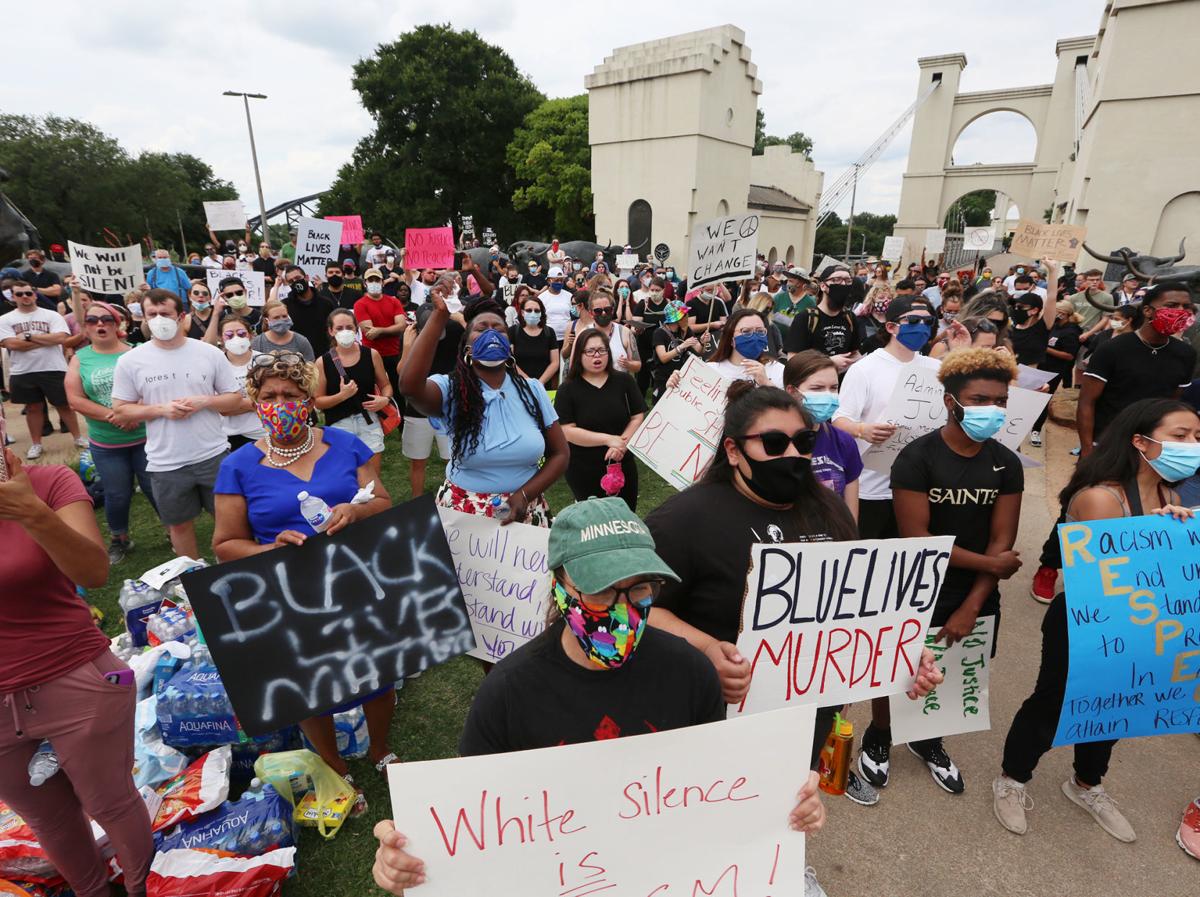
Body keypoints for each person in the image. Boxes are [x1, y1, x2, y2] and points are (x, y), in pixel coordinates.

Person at [371, 495, 833, 897]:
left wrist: (784, 804)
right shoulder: (508, 693)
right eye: (599, 591)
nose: (622, 609)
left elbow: (719, 790)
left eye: (639, 589)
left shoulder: (690, 672)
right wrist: (407, 858)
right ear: (561, 585)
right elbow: (472, 824)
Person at [994, 398, 1200, 841]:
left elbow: (1169, 574)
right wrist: (1161, 535)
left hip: (1141, 626)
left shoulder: (1170, 495)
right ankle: (1012, 779)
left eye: (1198, 437)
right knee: (1053, 699)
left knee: (1117, 704)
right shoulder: (1099, 498)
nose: (1192, 445)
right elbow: (1116, 573)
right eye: (1181, 436)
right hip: (1086, 623)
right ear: (1140, 441)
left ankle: (1087, 784)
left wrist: (1179, 530)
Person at [211, 353, 397, 814]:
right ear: (255, 403)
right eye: (269, 396)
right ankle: (334, 763)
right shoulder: (237, 466)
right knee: (310, 684)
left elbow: (384, 502)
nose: (280, 404)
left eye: (289, 395)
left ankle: (379, 750)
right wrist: (269, 550)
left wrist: (356, 510)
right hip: (287, 596)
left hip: (355, 580)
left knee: (377, 672)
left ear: (309, 399)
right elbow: (225, 544)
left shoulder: (345, 444)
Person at [859, 349, 1024, 795]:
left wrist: (973, 602)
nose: (992, 410)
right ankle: (879, 734)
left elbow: (1001, 540)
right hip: (916, 582)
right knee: (898, 665)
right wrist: (993, 564)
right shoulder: (917, 458)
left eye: (1000, 401)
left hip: (975, 592)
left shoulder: (1006, 464)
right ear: (951, 402)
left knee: (952, 665)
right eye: (980, 399)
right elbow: (918, 538)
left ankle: (928, 737)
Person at [0, 446, 154, 897]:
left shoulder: (50, 484)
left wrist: (32, 514)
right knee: (48, 818)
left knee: (110, 800)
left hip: (75, 676)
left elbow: (94, 570)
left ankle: (146, 888)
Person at [399, 294, 568, 526]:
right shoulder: (451, 388)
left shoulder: (532, 390)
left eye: (499, 329)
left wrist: (524, 495)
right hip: (465, 511)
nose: (491, 333)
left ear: (509, 346)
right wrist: (439, 317)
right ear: (467, 346)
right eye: (481, 329)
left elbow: (560, 454)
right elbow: (409, 387)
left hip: (525, 509)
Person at [111, 289, 243, 559]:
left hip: (213, 453)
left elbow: (233, 399)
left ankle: (231, 567)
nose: (159, 319)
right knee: (179, 525)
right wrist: (161, 410)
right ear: (144, 318)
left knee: (228, 519)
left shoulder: (209, 353)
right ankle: (191, 576)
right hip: (166, 461)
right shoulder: (130, 361)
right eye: (152, 314)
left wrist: (204, 402)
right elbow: (120, 411)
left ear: (182, 316)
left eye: (165, 314)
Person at [833, 298, 964, 540]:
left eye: (928, 321)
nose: (922, 326)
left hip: (919, 486)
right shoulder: (864, 369)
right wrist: (863, 429)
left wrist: (960, 351)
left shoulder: (934, 368)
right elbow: (839, 419)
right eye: (913, 321)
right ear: (892, 327)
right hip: (873, 487)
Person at [64, 301, 157, 563]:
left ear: (118, 324)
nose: (100, 324)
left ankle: (175, 532)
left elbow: (153, 387)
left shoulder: (137, 351)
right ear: (86, 327)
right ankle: (120, 539)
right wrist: (116, 416)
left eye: (106, 319)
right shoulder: (80, 359)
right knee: (117, 493)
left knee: (155, 487)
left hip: (145, 437)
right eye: (92, 320)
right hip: (107, 442)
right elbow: (75, 399)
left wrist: (135, 411)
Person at [1076, 283, 1196, 457]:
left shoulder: (1186, 354)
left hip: (1150, 447)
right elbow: (1087, 403)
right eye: (1171, 306)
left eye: (1186, 307)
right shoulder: (1112, 349)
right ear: (1147, 311)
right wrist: (1087, 450)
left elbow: (1172, 402)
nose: (1180, 311)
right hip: (1107, 443)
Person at [555, 329, 647, 509]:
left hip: (621, 464)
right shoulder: (567, 389)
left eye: (602, 350)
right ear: (580, 354)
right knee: (593, 522)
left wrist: (621, 444)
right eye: (590, 351)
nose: (596, 356)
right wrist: (608, 440)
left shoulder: (624, 381)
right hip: (583, 468)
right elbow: (567, 430)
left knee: (625, 518)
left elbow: (637, 416)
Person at [0, 280, 85, 457]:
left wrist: (28, 337)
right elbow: (10, 344)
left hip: (53, 367)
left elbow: (61, 338)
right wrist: (45, 339)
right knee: (33, 408)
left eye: (28, 293)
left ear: (35, 294)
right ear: (13, 297)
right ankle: (36, 443)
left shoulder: (51, 315)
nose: (25, 297)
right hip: (23, 370)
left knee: (64, 405)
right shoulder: (5, 319)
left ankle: (78, 437)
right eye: (20, 294)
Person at [783, 350, 862, 518]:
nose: (828, 395)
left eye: (833, 388)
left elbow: (850, 516)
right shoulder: (773, 443)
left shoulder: (844, 442)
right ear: (791, 391)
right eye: (817, 388)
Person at [316, 309, 392, 479]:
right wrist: (342, 395)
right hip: (339, 424)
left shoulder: (371, 355)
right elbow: (318, 402)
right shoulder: (323, 362)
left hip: (369, 420)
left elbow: (386, 385)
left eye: (349, 327)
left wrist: (384, 399)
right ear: (331, 331)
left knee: (372, 477)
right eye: (339, 328)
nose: (345, 332)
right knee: (345, 476)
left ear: (356, 328)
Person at [399, 305, 460, 497]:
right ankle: (417, 502)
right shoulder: (411, 335)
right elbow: (402, 373)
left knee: (453, 459)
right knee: (418, 460)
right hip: (418, 409)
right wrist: (408, 346)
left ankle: (454, 498)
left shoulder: (455, 330)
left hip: (448, 406)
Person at [1029, 299, 1083, 448]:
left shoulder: (1071, 331)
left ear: (1063, 313)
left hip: (1053, 372)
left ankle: (1036, 430)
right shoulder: (1053, 325)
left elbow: (1069, 356)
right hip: (1039, 366)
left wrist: (1045, 348)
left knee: (1043, 400)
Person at [784, 267, 862, 370]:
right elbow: (792, 360)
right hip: (814, 382)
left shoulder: (850, 317)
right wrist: (829, 362)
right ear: (823, 286)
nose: (843, 284)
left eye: (848, 281)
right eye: (837, 279)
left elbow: (854, 353)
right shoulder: (805, 318)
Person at [214, 315, 265, 452]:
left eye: (241, 333)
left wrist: (233, 403)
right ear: (221, 338)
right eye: (229, 335)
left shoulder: (265, 361)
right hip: (229, 436)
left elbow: (268, 402)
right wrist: (253, 403)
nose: (236, 338)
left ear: (250, 335)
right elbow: (222, 409)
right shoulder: (215, 364)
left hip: (262, 433)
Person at [355, 267, 408, 397]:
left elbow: (402, 327)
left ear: (383, 282)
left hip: (394, 353)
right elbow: (370, 333)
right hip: (372, 355)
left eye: (377, 280)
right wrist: (391, 330)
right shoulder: (360, 304)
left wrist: (379, 330)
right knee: (375, 391)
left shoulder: (394, 301)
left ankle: (399, 416)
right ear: (365, 283)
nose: (374, 282)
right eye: (370, 280)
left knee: (397, 391)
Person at [704, 307, 785, 386]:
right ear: (731, 338)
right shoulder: (711, 370)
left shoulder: (777, 369)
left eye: (760, 331)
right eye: (746, 331)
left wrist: (767, 383)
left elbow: (790, 399)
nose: (755, 337)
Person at [650, 299, 703, 401]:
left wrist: (703, 341)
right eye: (685, 315)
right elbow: (663, 358)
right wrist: (682, 346)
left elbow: (699, 350)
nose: (687, 317)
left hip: (680, 378)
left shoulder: (686, 330)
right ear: (677, 319)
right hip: (663, 379)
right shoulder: (659, 333)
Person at [282, 266, 336, 357]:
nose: (295, 282)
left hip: (325, 355)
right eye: (291, 281)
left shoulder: (326, 303)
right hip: (297, 357)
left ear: (306, 277)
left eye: (298, 278)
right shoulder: (284, 306)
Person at [507, 294, 559, 387]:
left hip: (544, 386)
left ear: (541, 313)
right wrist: (528, 382)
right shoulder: (513, 331)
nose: (533, 313)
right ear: (522, 312)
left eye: (537, 310)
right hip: (519, 385)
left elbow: (555, 362)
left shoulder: (549, 332)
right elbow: (510, 360)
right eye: (529, 310)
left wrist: (539, 383)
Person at [685, 286, 728, 355]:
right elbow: (691, 327)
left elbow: (723, 324)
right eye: (709, 290)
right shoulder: (691, 304)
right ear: (700, 289)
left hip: (717, 340)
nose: (712, 292)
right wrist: (711, 325)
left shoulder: (718, 302)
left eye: (714, 290)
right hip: (699, 341)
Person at [537, 265, 572, 342]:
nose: (559, 282)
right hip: (548, 338)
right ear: (549, 280)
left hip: (567, 338)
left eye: (561, 280)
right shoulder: (542, 298)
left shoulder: (569, 296)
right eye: (556, 280)